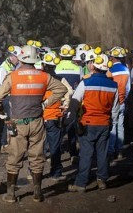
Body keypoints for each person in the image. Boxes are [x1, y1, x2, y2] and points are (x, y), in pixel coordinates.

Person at [0, 45, 67, 203]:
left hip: (18, 122)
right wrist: (46, 103)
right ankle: (37, 193)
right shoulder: (44, 76)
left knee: (14, 158)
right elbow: (61, 89)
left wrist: (1, 113)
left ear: (20, 58)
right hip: (37, 121)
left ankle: (11, 194)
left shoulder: (13, 76)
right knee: (37, 157)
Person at [68, 54, 119, 193]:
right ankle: (102, 180)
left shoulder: (86, 82)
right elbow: (115, 109)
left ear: (93, 66)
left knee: (86, 154)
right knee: (102, 154)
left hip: (88, 124)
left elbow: (75, 101)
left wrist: (71, 118)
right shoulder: (114, 85)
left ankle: (81, 184)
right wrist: (112, 123)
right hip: (104, 124)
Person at [41, 51, 74, 181]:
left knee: (36, 147)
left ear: (43, 65)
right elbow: (69, 92)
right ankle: (56, 172)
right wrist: (65, 105)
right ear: (55, 66)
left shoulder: (38, 78)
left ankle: (33, 171)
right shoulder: (60, 79)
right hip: (54, 116)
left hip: (38, 117)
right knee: (54, 147)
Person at [0, 45, 22, 153]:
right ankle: (5, 144)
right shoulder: (3, 68)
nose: (19, 60)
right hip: (8, 97)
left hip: (15, 96)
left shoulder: (15, 65)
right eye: (18, 57)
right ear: (12, 56)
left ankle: (11, 142)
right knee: (9, 121)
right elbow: (4, 86)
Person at [107, 47, 130, 161]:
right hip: (122, 101)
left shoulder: (110, 70)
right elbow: (128, 88)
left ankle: (111, 151)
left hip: (113, 102)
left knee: (112, 126)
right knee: (120, 126)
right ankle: (120, 150)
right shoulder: (126, 69)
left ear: (112, 57)